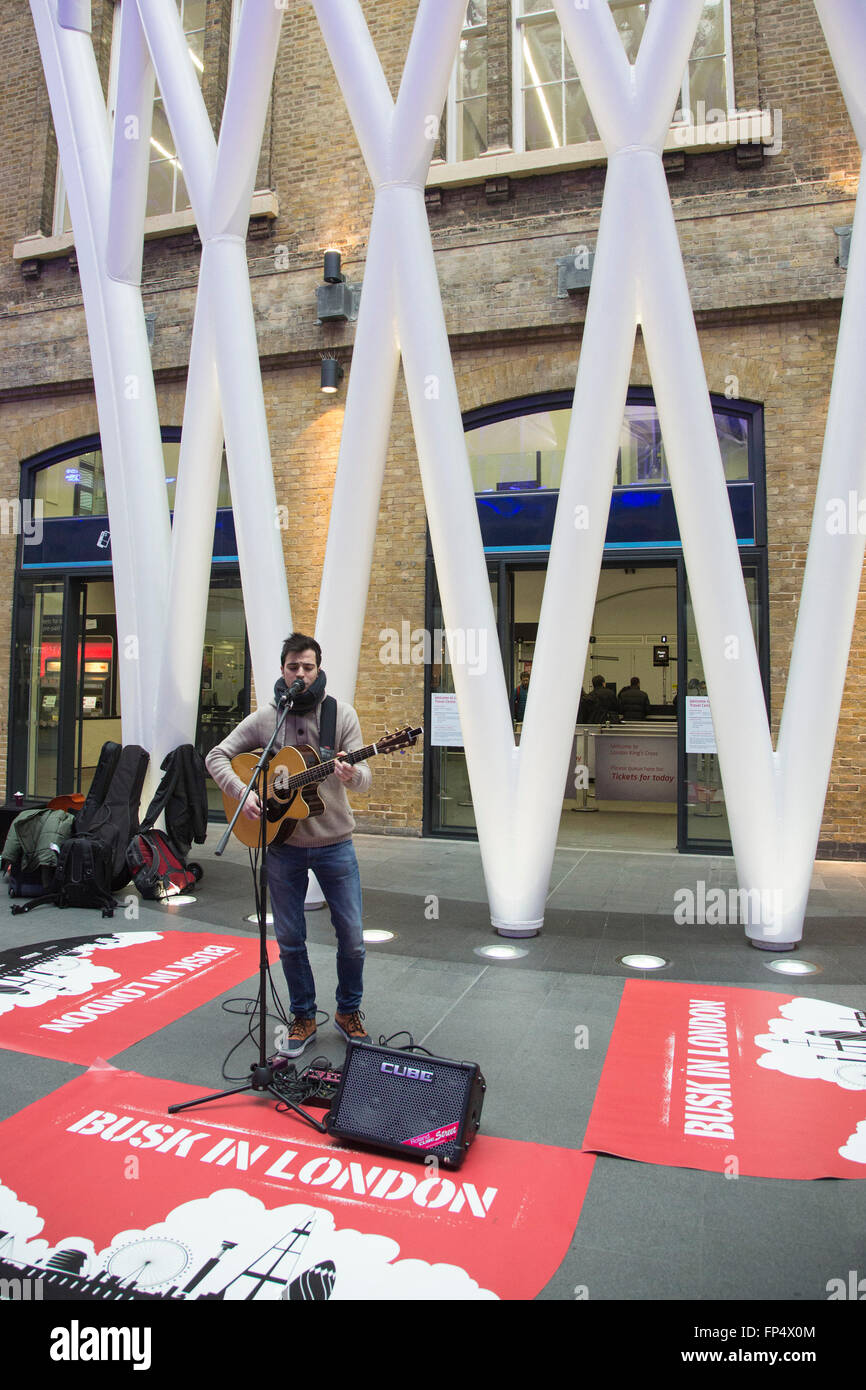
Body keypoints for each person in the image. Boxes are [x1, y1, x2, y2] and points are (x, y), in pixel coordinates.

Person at [205, 632, 372, 1059]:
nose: (301, 673)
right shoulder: (268, 718)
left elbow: (366, 779)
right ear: (283, 670)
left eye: (308, 667)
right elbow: (217, 756)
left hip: (336, 843)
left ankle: (348, 1010)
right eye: (293, 666)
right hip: (281, 844)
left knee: (352, 937)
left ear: (319, 669)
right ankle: (302, 1014)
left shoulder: (341, 715)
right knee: (291, 938)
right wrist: (244, 793)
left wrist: (354, 776)